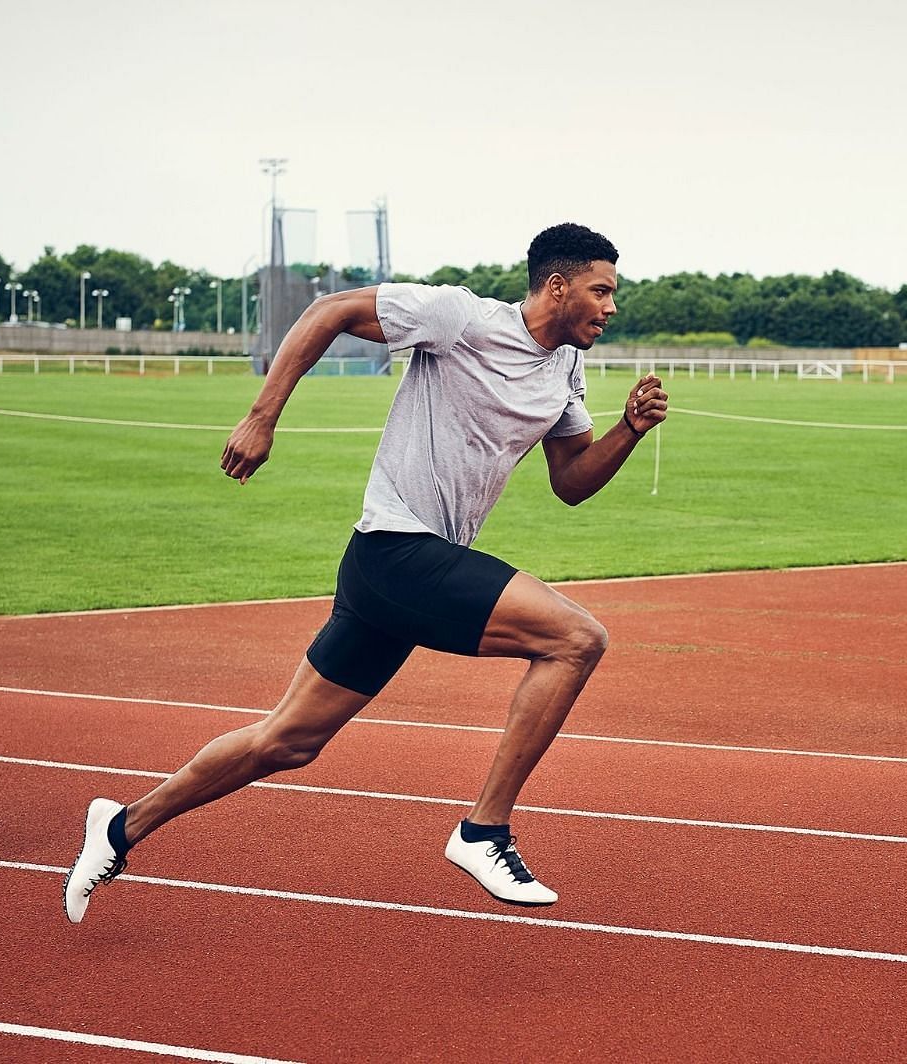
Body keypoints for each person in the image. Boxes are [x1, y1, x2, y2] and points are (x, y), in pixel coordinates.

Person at [64, 223, 667, 920]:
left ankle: (121, 824)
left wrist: (627, 429)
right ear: (557, 286)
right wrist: (262, 417)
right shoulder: (460, 317)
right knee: (575, 638)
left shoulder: (564, 368)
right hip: (396, 549)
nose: (611, 307)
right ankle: (484, 830)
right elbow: (330, 312)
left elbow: (570, 480)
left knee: (285, 743)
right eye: (602, 290)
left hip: (395, 575)